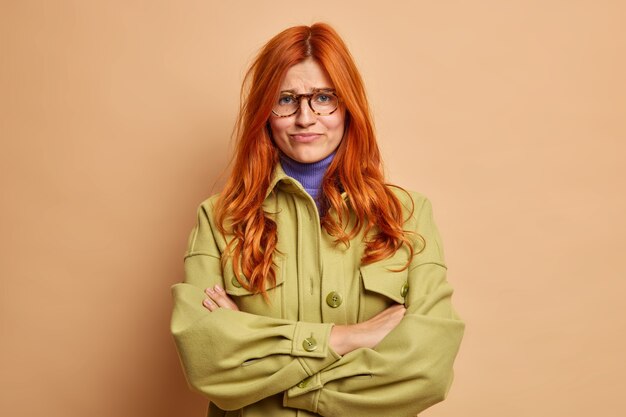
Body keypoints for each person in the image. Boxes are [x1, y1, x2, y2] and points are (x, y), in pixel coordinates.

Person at [170, 22, 465, 417]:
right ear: (264, 111)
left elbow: (426, 370)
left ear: (348, 106)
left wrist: (275, 376)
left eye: (323, 97)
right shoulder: (219, 219)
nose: (305, 118)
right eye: (286, 99)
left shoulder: (408, 215)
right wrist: (346, 338)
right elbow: (206, 363)